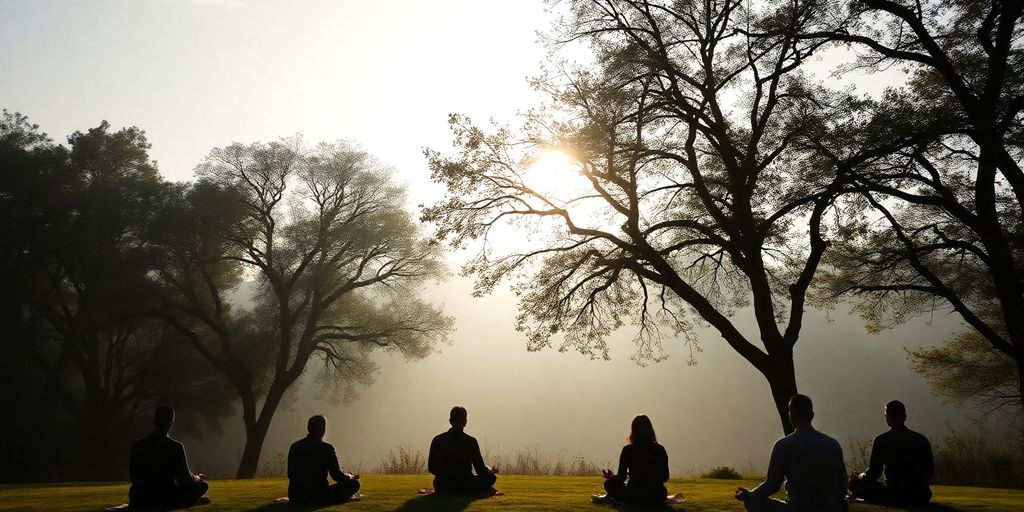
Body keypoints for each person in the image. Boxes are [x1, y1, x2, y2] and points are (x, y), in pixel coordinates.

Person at [735, 394, 848, 512]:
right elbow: (842, 482)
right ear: (812, 415)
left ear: (791, 415)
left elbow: (773, 485)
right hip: (830, 508)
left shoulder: (783, 445)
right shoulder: (833, 444)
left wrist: (750, 494)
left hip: (798, 508)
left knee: (752, 502)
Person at [848, 400, 933, 505]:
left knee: (853, 483)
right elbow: (930, 472)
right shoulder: (921, 439)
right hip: (922, 495)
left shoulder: (882, 440)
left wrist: (861, 475)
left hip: (895, 494)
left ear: (888, 418)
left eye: (886, 415)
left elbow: (874, 472)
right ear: (905, 417)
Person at [128, 405, 209, 509]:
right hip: (165, 497)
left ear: (155, 421)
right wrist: (198, 478)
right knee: (202, 485)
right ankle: (189, 501)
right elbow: (185, 479)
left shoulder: (138, 445)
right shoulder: (175, 446)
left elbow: (133, 478)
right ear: (171, 422)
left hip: (139, 497)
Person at [287, 415, 360, 505]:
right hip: (319, 495)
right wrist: (350, 476)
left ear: (308, 428)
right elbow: (337, 476)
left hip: (296, 496)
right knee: (354, 484)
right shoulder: (327, 448)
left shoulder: (295, 446)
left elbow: (290, 474)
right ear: (323, 429)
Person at [598, 414, 670, 505]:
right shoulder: (660, 449)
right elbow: (665, 477)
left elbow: (621, 477)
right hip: (658, 496)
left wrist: (612, 478)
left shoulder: (628, 450)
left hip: (634, 495)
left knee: (608, 484)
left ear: (633, 430)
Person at [427, 406, 498, 492]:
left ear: (450, 421)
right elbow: (480, 470)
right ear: (465, 422)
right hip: (466, 485)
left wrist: (446, 476)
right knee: (492, 478)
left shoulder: (437, 440)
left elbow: (431, 467)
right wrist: (490, 471)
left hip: (443, 485)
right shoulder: (471, 441)